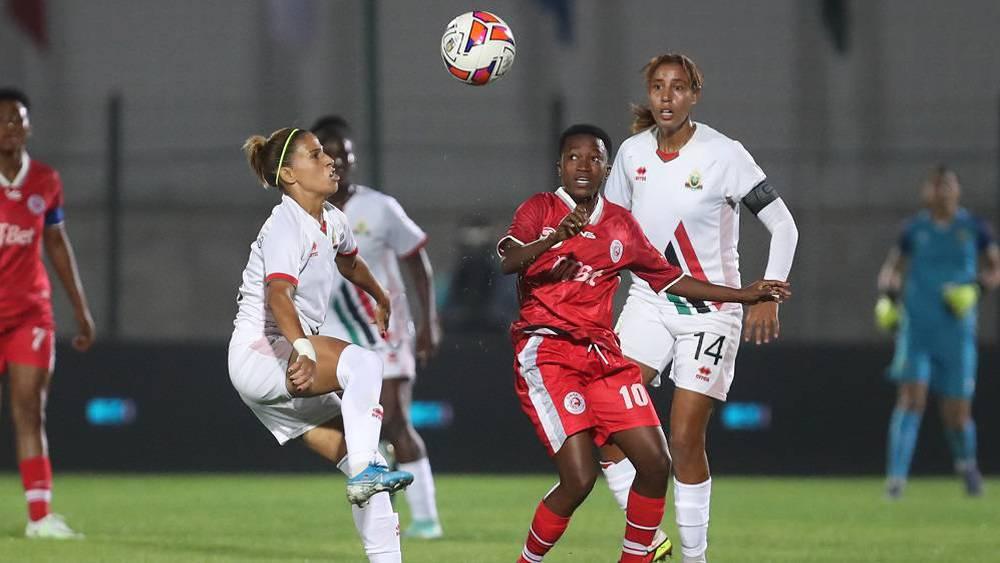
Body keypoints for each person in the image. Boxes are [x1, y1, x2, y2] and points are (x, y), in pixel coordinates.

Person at [501, 124, 789, 563]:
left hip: (601, 355)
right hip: (548, 350)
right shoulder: (540, 209)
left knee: (657, 463)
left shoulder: (620, 226)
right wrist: (555, 237)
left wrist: (743, 295)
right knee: (578, 479)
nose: (583, 165)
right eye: (573, 157)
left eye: (593, 158)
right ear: (559, 166)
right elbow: (507, 259)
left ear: (607, 169)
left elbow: (671, 279)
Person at [601, 53, 800, 563]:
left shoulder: (723, 154)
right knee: (602, 421)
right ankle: (651, 542)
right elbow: (612, 232)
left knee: (684, 436)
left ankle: (695, 558)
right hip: (648, 300)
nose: (666, 97)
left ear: (694, 95)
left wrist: (770, 294)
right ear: (649, 94)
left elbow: (784, 225)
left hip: (711, 309)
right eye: (658, 87)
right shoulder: (629, 155)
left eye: (678, 87)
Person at [228, 127, 415, 562]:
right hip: (262, 352)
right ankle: (367, 470)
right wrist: (304, 348)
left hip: (282, 360)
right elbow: (278, 294)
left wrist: (380, 294)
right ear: (290, 174)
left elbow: (349, 259)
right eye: (315, 155)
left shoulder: (331, 218)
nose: (329, 160)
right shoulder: (284, 225)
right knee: (365, 366)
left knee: (364, 458)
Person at [311, 115, 444, 539]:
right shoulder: (302, 213)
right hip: (333, 336)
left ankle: (426, 521)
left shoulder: (378, 207)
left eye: (345, 153)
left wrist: (429, 320)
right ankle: (385, 508)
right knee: (352, 431)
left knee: (396, 421)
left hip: (382, 331)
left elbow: (416, 262)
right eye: (328, 152)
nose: (338, 161)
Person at [0, 88, 95, 539]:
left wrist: (80, 310)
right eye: (2, 120)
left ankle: (40, 517)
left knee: (29, 410)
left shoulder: (45, 179)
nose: (10, 127)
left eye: (17, 119)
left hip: (29, 315)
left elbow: (56, 244)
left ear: (29, 126)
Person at [876, 165, 1000, 498]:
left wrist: (976, 289)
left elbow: (995, 267)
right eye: (936, 186)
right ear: (926, 193)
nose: (942, 191)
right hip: (917, 328)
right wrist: (887, 299)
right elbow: (892, 269)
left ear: (957, 190)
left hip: (956, 332)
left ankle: (967, 467)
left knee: (957, 412)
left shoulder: (973, 228)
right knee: (910, 400)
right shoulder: (914, 229)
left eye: (947, 185)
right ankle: (896, 481)